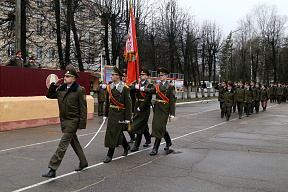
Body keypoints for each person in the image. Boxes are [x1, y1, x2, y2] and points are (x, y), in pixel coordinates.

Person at [42, 65, 88, 178]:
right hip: (64, 121)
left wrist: (82, 124)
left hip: (73, 121)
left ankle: (52, 168)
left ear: (73, 79)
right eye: (65, 76)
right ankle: (83, 162)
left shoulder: (79, 90)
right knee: (74, 143)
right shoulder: (61, 89)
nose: (65, 77)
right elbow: (49, 95)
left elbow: (83, 108)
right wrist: (54, 86)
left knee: (62, 145)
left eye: (68, 76)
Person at [137, 67, 175, 156]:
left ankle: (155, 148)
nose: (160, 77)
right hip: (157, 108)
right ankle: (168, 142)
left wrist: (172, 113)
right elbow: (151, 90)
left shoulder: (170, 87)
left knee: (158, 127)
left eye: (162, 75)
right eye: (160, 75)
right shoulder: (157, 86)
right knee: (159, 126)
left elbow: (172, 101)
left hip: (165, 109)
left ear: (166, 76)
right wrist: (144, 89)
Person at [103, 66, 132, 163]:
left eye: (113, 75)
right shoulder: (109, 88)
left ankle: (109, 154)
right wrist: (105, 114)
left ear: (118, 76)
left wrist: (128, 117)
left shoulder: (125, 88)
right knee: (116, 132)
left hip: (120, 114)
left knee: (114, 133)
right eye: (111, 75)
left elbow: (128, 104)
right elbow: (107, 102)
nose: (111, 77)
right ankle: (126, 146)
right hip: (112, 113)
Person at [130, 67, 153, 151]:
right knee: (142, 124)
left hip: (144, 107)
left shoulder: (150, 85)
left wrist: (142, 107)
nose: (141, 76)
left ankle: (136, 145)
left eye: (143, 75)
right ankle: (148, 138)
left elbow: (148, 98)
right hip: (137, 105)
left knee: (140, 125)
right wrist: (134, 87)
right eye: (140, 74)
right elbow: (129, 89)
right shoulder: (137, 83)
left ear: (147, 76)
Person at [121, 68, 136, 143]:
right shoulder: (120, 84)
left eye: (125, 76)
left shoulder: (131, 85)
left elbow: (131, 91)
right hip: (122, 107)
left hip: (130, 107)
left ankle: (133, 136)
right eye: (122, 76)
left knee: (128, 123)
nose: (123, 78)